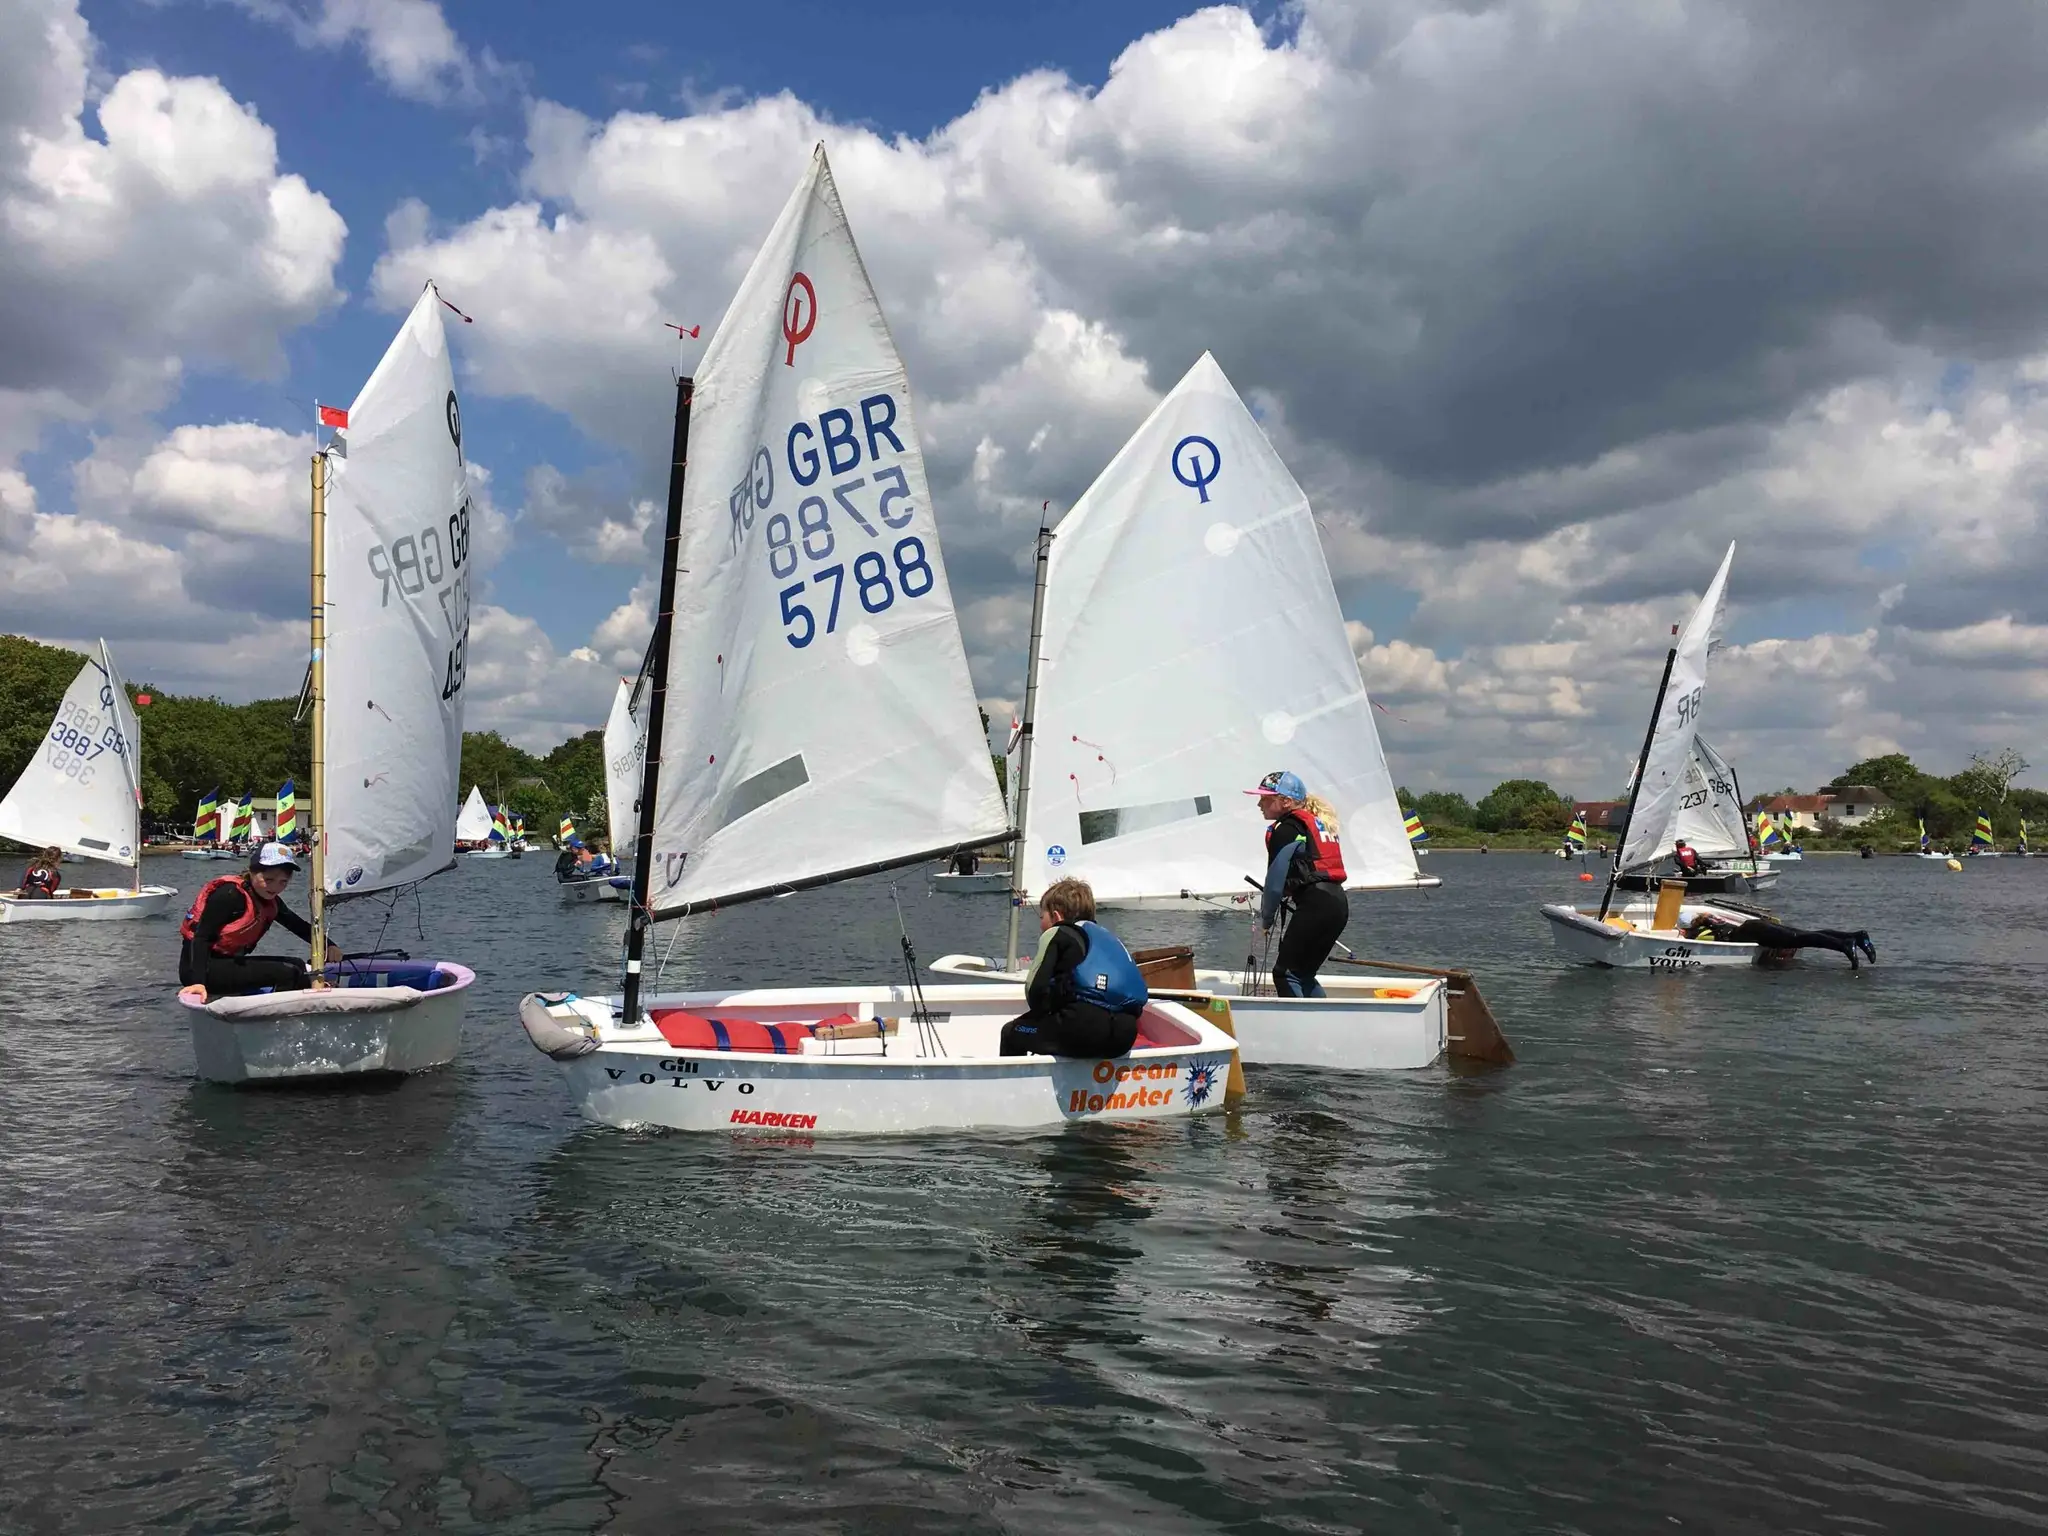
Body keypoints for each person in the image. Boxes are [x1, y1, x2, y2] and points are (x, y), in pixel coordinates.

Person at [999, 878, 1146, 1059]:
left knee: (1012, 1032)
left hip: (1080, 1031)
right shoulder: (1106, 938)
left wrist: (1044, 1015)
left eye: (1042, 917)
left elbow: (1035, 991)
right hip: (1124, 1036)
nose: (1041, 924)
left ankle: (1019, 1087)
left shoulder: (1058, 932)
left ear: (1056, 916)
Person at [178, 842, 341, 997]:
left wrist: (329, 944)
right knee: (287, 973)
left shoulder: (271, 900)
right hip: (199, 969)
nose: (275, 887)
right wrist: (198, 983)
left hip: (227, 963)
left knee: (297, 964)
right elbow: (202, 938)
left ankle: (308, 1008)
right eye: (269, 880)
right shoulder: (229, 895)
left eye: (283, 882)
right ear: (252, 872)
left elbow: (297, 925)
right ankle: (274, 1019)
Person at [1248, 769, 1349, 998]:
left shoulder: (1286, 829)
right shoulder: (1312, 824)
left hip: (1317, 905)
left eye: (1265, 798)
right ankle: (1323, 1025)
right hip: (1337, 904)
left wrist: (1265, 920)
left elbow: (1274, 883)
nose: (1259, 804)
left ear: (1285, 801)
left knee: (1285, 974)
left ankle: (1305, 1030)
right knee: (1302, 974)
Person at [1683, 913, 1877, 968]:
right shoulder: (1717, 922)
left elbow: (1702, 942)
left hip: (1755, 931)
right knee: (1804, 934)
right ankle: (1855, 936)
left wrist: (1684, 934)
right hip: (1755, 926)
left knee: (1800, 938)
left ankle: (1843, 945)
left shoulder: (1702, 931)